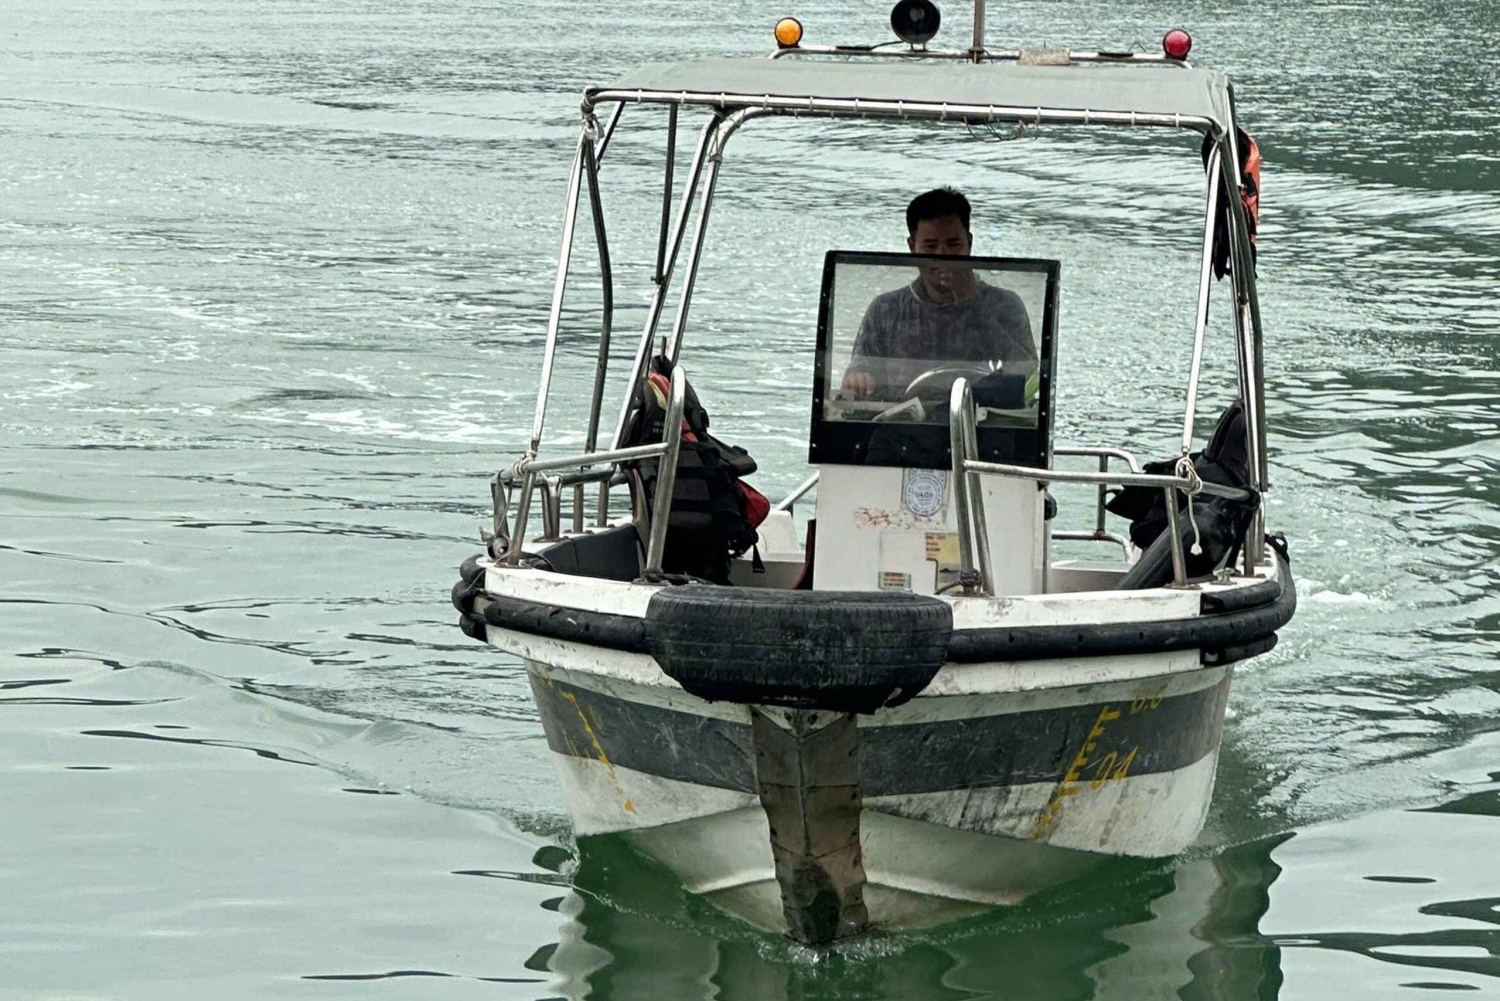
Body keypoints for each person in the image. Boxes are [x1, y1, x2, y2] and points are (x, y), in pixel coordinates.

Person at [841, 187, 1037, 401]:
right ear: (912, 247)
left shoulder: (1005, 305)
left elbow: (1028, 374)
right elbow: (860, 372)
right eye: (930, 246)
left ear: (969, 243)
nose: (943, 255)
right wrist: (856, 379)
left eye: (953, 244)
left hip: (982, 418)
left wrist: (972, 305)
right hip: (901, 419)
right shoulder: (886, 309)